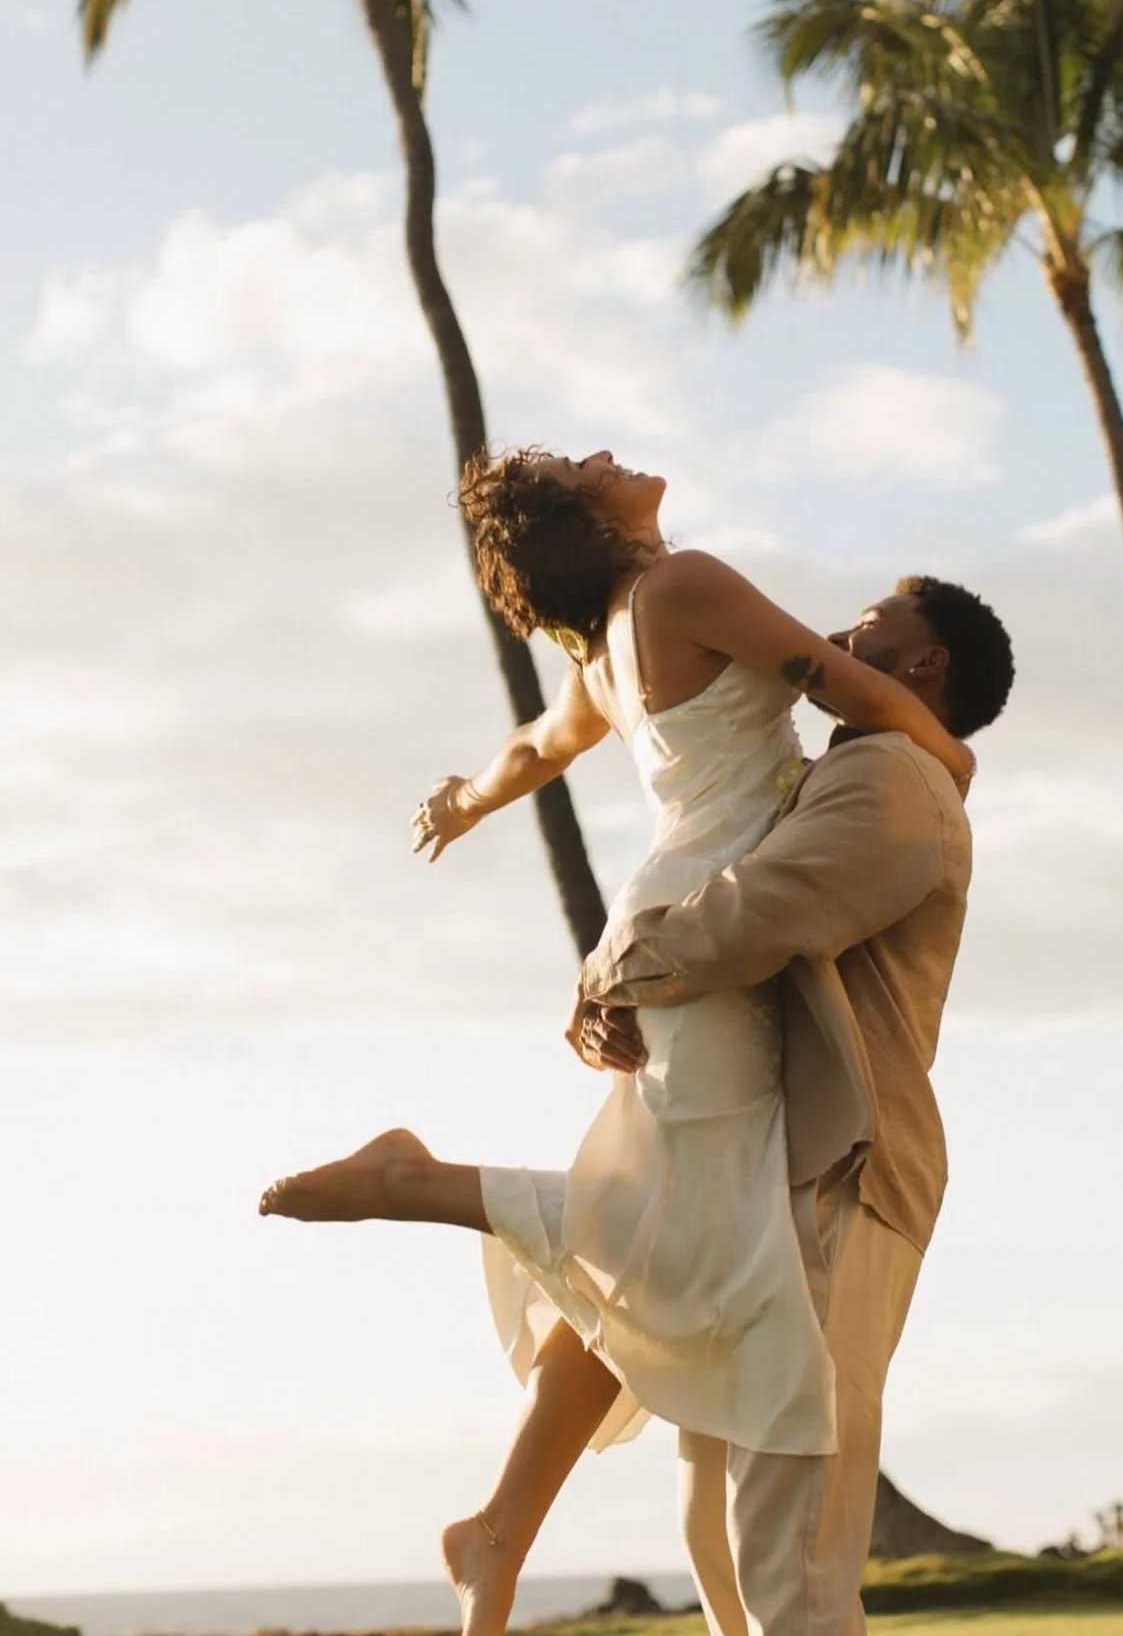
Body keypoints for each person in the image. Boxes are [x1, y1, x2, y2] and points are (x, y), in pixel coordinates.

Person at [259, 449, 977, 1636]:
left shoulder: (603, 655)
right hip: (707, 935)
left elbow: (534, 752)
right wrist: (947, 755)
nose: (606, 456)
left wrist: (462, 801)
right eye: (580, 467)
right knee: (680, 1237)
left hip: (669, 904)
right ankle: (420, 1183)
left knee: (670, 1242)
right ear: (591, 519)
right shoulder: (686, 584)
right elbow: (843, 683)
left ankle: (498, 1526)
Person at [573, 575, 1014, 1636]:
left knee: (794, 1544)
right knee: (721, 1531)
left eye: (872, 625)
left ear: (922, 669)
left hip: (843, 1171)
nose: (834, 633)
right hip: (777, 1171)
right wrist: (605, 981)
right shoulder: (842, 773)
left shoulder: (897, 780)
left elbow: (764, 914)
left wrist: (611, 970)